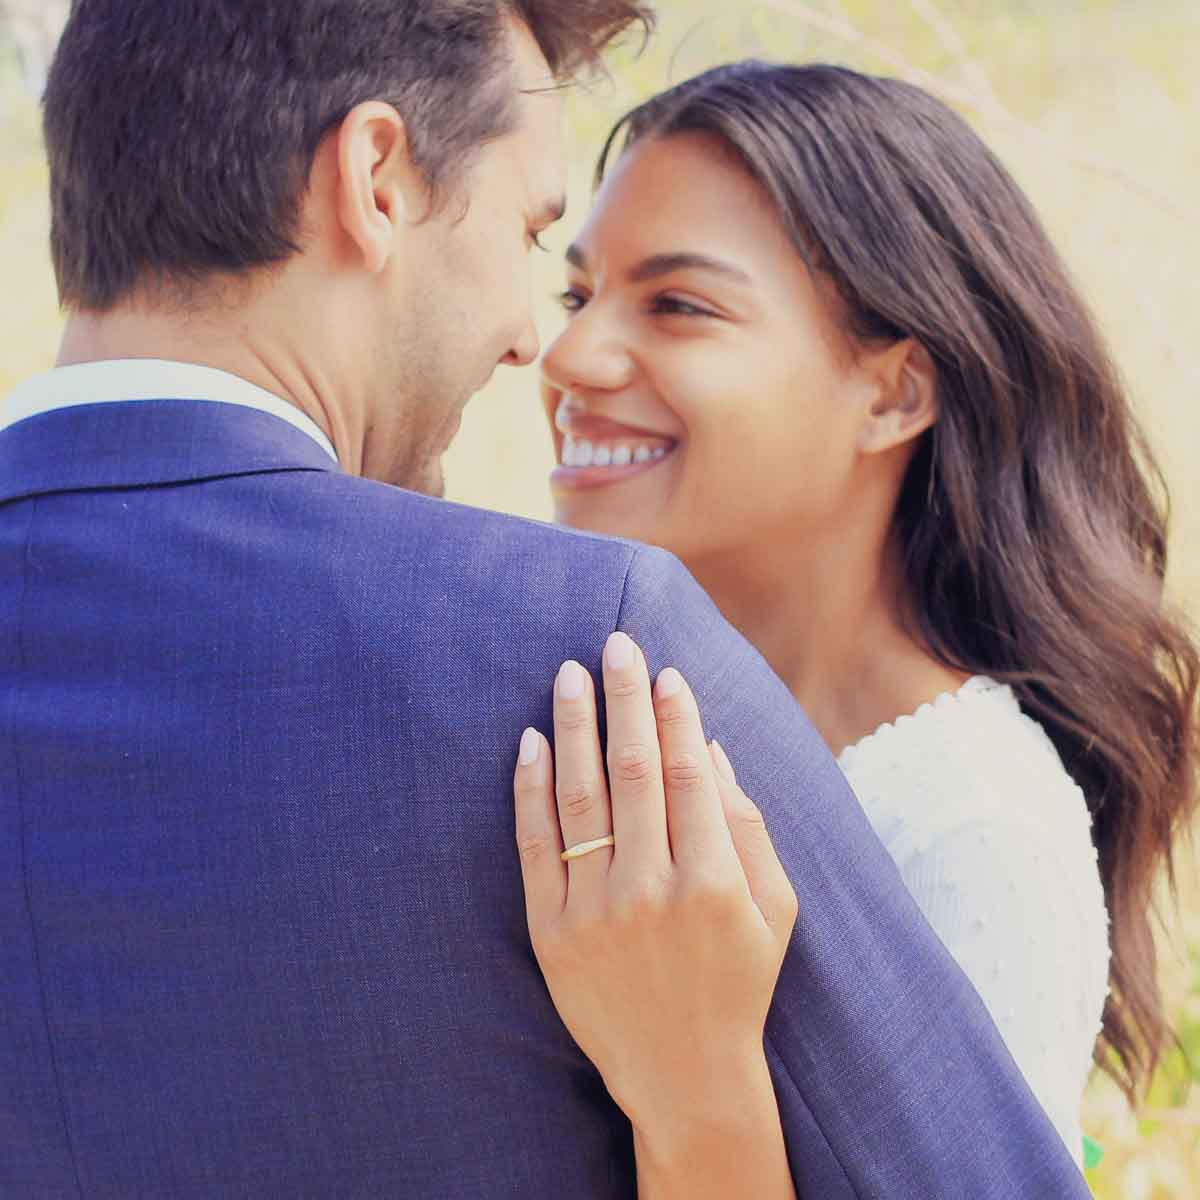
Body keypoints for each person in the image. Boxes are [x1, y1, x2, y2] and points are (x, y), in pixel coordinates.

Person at [0, 6, 1094, 1198]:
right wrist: (697, 1099)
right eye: (534, 241)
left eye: (677, 304)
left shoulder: (962, 811)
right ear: (375, 179)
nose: (543, 346)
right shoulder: (570, 657)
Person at [528, 59, 1200, 1181]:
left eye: (678, 305)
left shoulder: (974, 833)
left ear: (893, 393)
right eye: (578, 294)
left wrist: (698, 1092)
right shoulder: (605, 727)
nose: (569, 358)